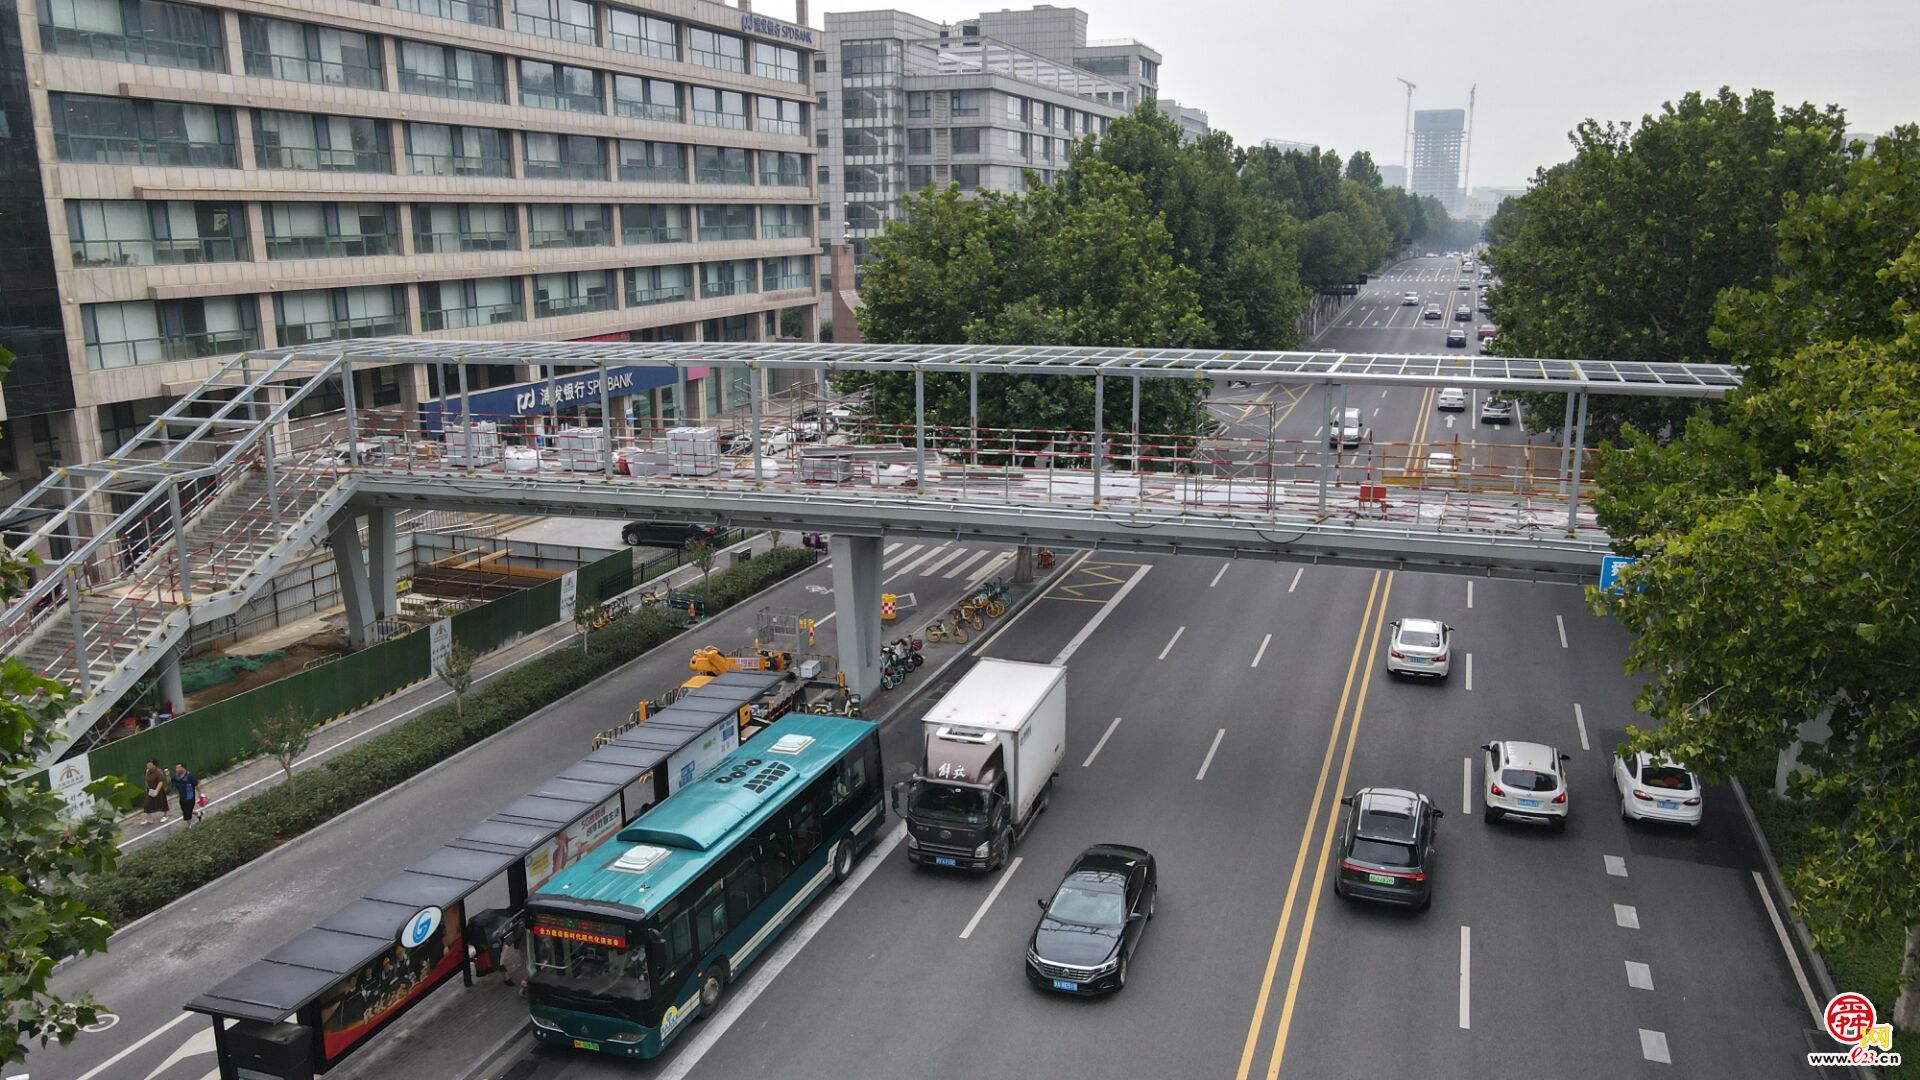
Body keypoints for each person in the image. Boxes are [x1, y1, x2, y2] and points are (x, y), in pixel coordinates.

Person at [141, 759, 169, 824]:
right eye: (147, 765)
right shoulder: (147, 771)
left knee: (162, 802)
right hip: (150, 790)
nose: (148, 766)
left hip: (158, 790)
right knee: (147, 804)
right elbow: (146, 780)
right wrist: (146, 788)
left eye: (150, 765)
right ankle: (149, 818)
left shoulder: (158, 772)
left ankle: (165, 815)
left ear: (154, 765)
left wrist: (156, 790)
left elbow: (161, 782)